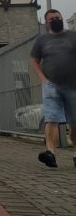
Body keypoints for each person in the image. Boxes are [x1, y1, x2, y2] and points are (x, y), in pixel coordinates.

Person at [30, 9, 76, 168]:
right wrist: (43, 79)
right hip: (52, 85)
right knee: (52, 119)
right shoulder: (42, 40)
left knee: (74, 121)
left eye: (57, 17)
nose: (55, 20)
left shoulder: (72, 36)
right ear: (46, 23)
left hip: (73, 85)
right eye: (51, 19)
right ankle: (50, 153)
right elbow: (34, 60)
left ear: (62, 18)